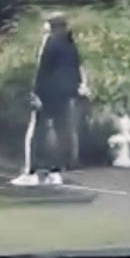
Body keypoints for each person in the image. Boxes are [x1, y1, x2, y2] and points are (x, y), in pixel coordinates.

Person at [13, 12, 83, 187]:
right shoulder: (70, 44)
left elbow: (43, 70)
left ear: (52, 25)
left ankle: (32, 172)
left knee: (37, 132)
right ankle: (55, 171)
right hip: (65, 94)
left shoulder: (50, 42)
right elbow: (75, 68)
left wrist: (36, 93)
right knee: (61, 132)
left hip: (47, 94)